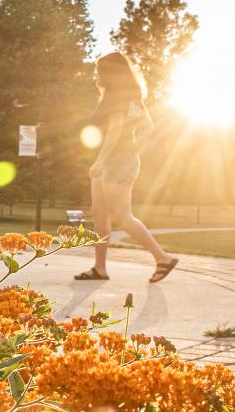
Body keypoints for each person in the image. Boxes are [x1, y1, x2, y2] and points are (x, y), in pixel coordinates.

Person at [74, 52, 180, 283]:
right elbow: (148, 127)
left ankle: (162, 258)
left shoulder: (114, 97)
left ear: (109, 74)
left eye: (98, 71)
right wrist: (134, 153)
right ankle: (99, 268)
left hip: (113, 163)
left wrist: (105, 159)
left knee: (122, 217)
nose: (96, 76)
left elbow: (115, 129)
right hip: (118, 161)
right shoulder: (132, 97)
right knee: (100, 215)